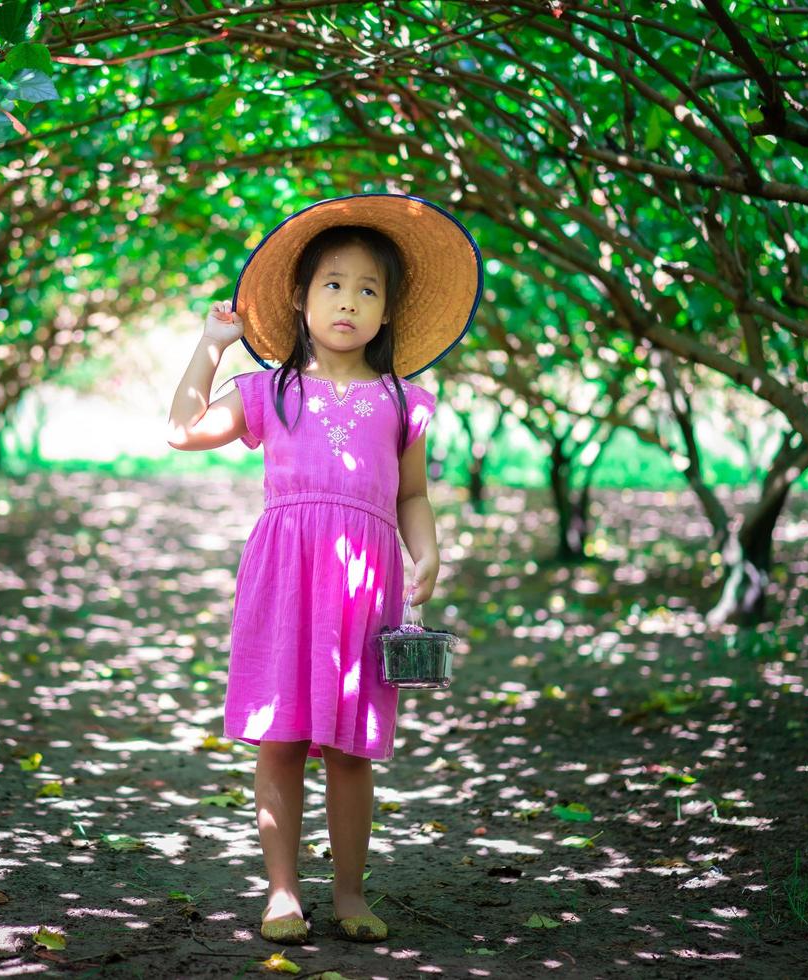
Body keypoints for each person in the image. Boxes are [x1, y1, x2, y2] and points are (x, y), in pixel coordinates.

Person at [165, 193, 482, 945]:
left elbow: (412, 494)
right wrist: (211, 343)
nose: (350, 301)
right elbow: (180, 431)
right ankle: (282, 892)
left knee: (349, 746)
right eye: (333, 284)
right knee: (281, 737)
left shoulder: (404, 400)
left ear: (387, 313)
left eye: (369, 289)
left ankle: (348, 892)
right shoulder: (268, 392)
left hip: (363, 588)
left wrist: (427, 549)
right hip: (285, 578)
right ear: (302, 298)